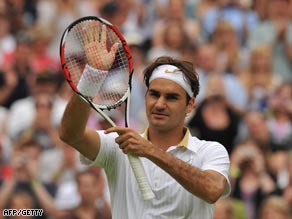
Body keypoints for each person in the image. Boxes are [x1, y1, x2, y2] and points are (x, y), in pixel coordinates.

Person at [59, 24, 231, 219]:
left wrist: (149, 150)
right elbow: (70, 134)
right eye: (154, 94)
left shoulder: (210, 151)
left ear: (190, 105)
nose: (159, 104)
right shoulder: (117, 145)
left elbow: (212, 190)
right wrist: (93, 74)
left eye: (171, 97)